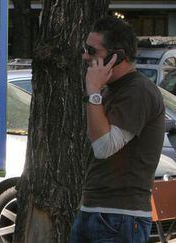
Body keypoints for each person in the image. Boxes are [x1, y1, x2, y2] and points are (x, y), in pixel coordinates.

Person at [70, 16, 165, 242]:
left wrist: (93, 91)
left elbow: (104, 147)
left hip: (120, 217)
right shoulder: (110, 90)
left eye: (91, 51)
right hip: (94, 209)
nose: (85, 56)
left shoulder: (138, 91)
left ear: (117, 56)